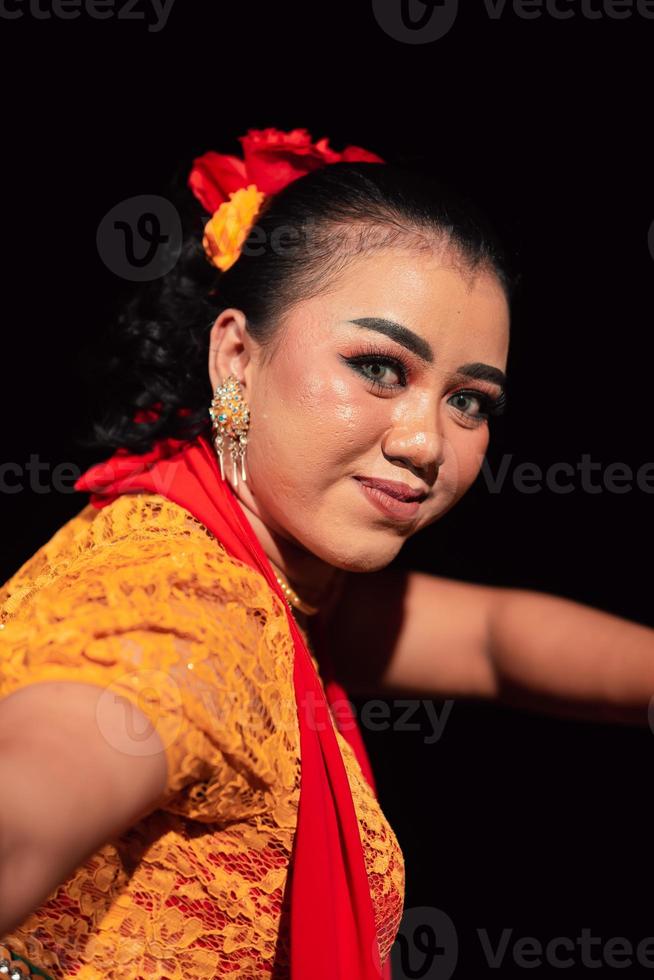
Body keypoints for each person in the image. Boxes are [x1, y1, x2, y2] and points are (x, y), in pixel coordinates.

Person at [1, 127, 652, 980]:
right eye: (379, 368)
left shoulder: (276, 575)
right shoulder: (189, 612)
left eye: (469, 400)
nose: (426, 443)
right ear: (236, 355)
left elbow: (493, 642)